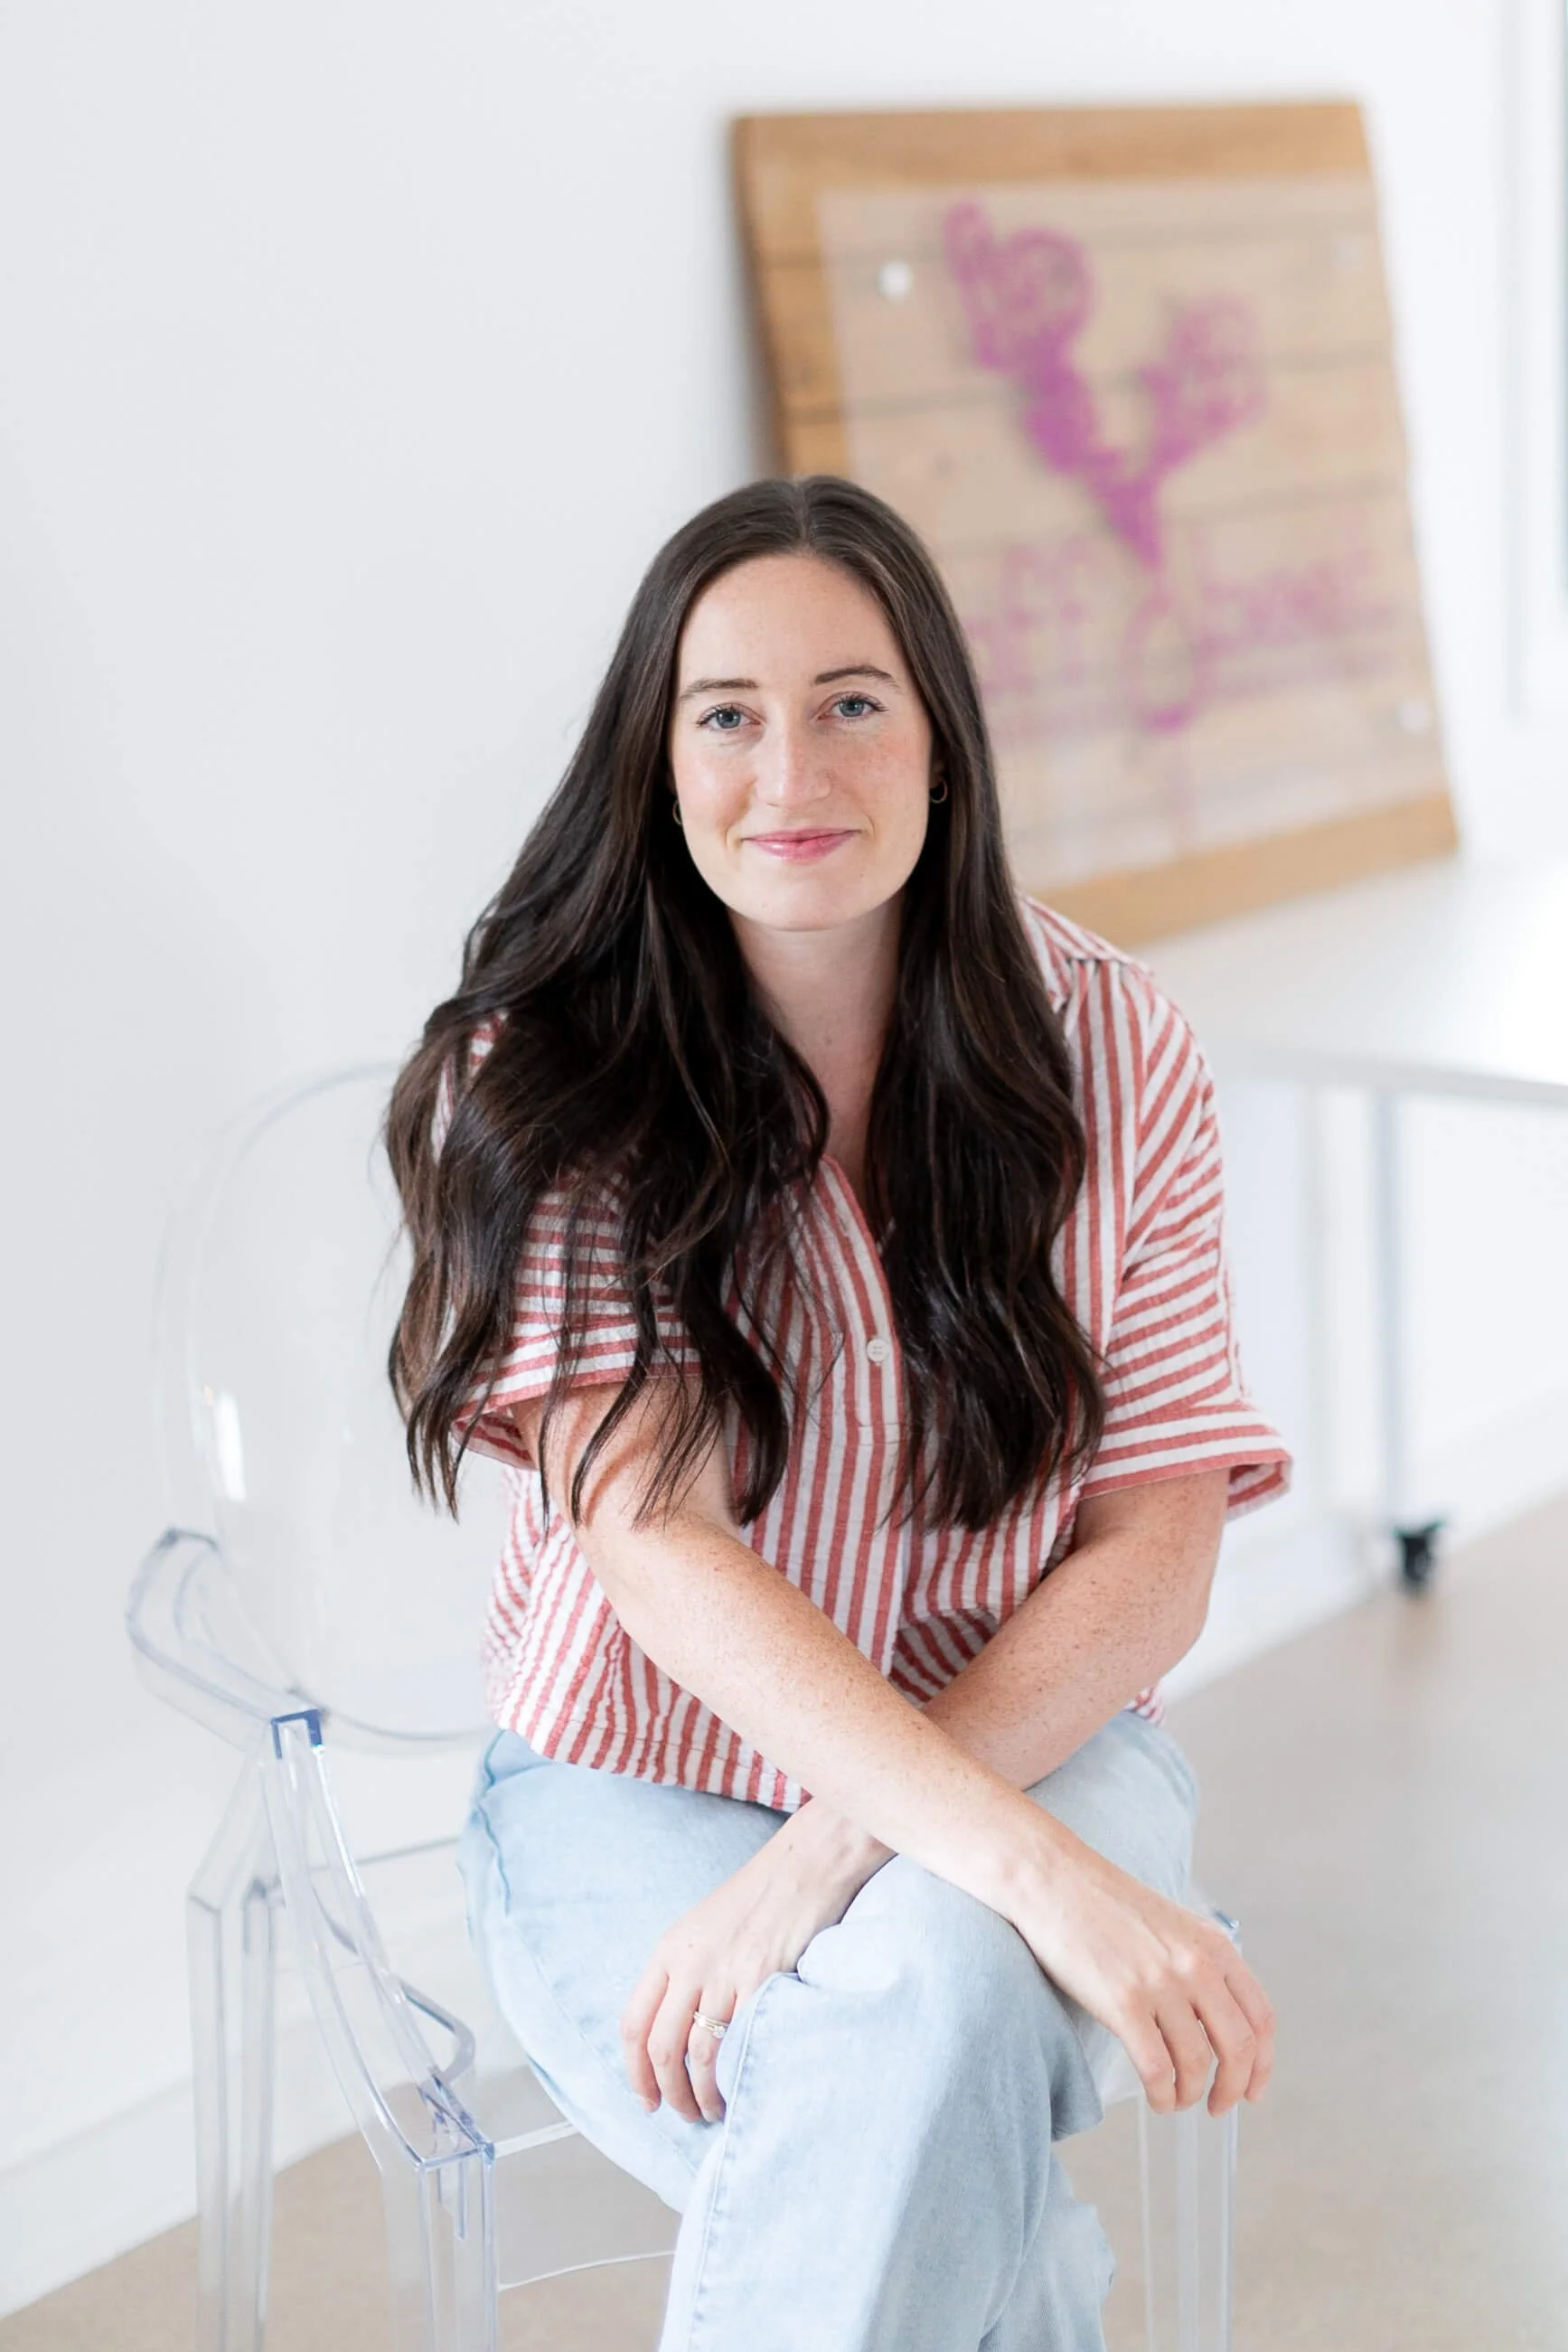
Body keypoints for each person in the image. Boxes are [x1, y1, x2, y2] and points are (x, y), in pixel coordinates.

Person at [387, 474, 1290, 2351]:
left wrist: (834, 1851)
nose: (789, 762)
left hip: (1045, 1716)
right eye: (726, 712)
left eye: (852, 699)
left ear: (944, 739)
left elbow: (1158, 1541)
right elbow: (662, 1554)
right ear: (658, 760)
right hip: (637, 1769)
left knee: (916, 2012)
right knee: (949, 2055)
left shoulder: (1114, 1039)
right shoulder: (549, 1069)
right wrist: (1024, 1869)